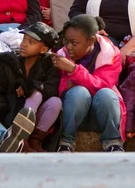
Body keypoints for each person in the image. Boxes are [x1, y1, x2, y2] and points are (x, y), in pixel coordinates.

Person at [52, 15, 125, 152]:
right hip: (75, 108)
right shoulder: (61, 55)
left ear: (91, 40)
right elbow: (61, 89)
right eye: (66, 41)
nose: (68, 47)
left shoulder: (111, 53)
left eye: (74, 43)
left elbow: (103, 85)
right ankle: (67, 141)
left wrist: (74, 70)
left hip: (103, 107)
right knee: (79, 92)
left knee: (106, 94)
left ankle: (113, 141)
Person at [0, 22, 61, 152]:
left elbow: (52, 88)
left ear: (44, 49)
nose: (23, 44)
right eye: (24, 39)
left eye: (31, 42)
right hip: (12, 114)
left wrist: (29, 86)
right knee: (36, 93)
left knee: (54, 101)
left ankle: (34, 140)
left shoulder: (49, 65)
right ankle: (21, 140)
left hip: (36, 117)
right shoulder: (9, 63)